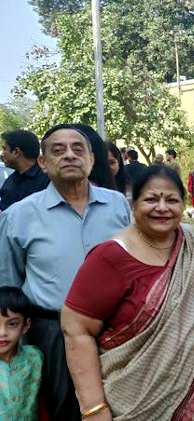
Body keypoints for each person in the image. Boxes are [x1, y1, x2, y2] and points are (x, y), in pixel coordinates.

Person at [61, 165, 194, 420]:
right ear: (133, 205)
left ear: (183, 206)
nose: (162, 208)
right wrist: (94, 408)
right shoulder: (109, 257)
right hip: (133, 402)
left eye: (171, 200)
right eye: (151, 199)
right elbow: (76, 329)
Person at [0, 124, 131, 420]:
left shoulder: (118, 206)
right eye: (58, 150)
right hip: (52, 333)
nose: (69, 155)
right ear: (43, 163)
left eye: (78, 149)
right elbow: (8, 285)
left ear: (91, 160)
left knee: (122, 405)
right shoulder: (19, 215)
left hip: (116, 327)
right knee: (65, 410)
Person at [0, 286, 43, 421]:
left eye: (12, 324)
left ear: (26, 325)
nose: (2, 333)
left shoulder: (35, 358)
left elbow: (41, 402)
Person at [0, 129, 49, 211]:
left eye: (5, 149)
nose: (2, 154)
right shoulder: (11, 180)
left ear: (16, 152)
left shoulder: (48, 179)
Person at [73, 124, 116, 190]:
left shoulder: (115, 197)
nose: (69, 155)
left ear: (92, 158)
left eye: (77, 150)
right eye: (58, 150)